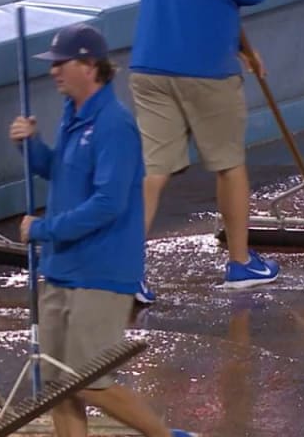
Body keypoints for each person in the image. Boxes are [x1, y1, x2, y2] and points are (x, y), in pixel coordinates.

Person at [10, 24, 196, 437]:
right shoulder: (73, 116)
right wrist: (31, 147)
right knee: (58, 386)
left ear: (90, 66)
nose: (54, 71)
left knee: (89, 382)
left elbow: (108, 204)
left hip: (100, 272)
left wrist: (45, 229)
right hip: (63, 269)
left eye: (62, 63)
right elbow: (62, 173)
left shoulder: (114, 125)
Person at [129, 0, 279, 302]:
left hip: (150, 64)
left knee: (153, 170)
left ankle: (127, 272)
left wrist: (244, 46)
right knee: (229, 164)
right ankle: (240, 263)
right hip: (207, 69)